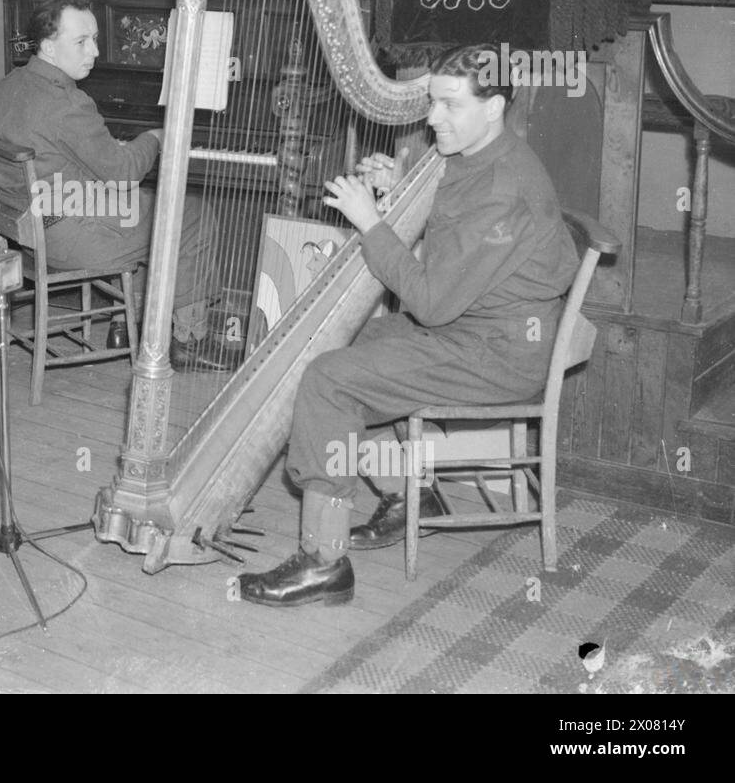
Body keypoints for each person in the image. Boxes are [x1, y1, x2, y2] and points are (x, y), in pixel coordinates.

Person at [237, 43, 579, 606]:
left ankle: (324, 564)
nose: (431, 117)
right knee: (359, 343)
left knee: (330, 379)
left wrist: (371, 221)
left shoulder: (504, 186)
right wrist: (397, 189)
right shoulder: (485, 155)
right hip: (473, 329)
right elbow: (451, 225)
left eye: (449, 106)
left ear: (493, 107)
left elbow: (429, 303)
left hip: (495, 352)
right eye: (431, 103)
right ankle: (412, 495)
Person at [0, 0, 234, 371]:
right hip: (70, 238)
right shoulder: (68, 103)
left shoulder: (3, 88)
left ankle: (125, 324)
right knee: (190, 215)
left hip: (26, 229)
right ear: (49, 48)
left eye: (95, 39)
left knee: (150, 209)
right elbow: (124, 172)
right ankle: (189, 340)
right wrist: (155, 138)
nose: (95, 51)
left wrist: (99, 154)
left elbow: (55, 152)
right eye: (81, 42)